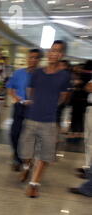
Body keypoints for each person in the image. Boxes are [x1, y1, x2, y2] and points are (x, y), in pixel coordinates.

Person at [18, 40, 71, 198]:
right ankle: (27, 167)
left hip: (49, 121)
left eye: (57, 51)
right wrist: (38, 104)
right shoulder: (37, 73)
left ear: (61, 55)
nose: (53, 53)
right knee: (25, 152)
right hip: (32, 118)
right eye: (51, 50)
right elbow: (30, 91)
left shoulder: (64, 76)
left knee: (44, 154)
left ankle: (34, 184)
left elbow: (63, 97)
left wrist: (49, 105)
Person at [6, 49, 43, 171]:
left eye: (35, 58)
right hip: (19, 106)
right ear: (27, 58)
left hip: (34, 109)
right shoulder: (18, 73)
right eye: (31, 57)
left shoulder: (41, 75)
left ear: (39, 60)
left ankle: (26, 159)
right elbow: (10, 89)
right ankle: (17, 157)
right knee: (14, 133)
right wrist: (18, 99)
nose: (32, 60)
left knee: (29, 135)